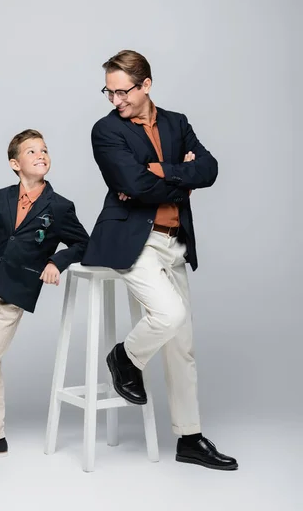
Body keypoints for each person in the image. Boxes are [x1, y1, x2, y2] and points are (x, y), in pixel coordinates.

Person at [82, 50, 237, 470]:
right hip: (136, 241)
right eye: (109, 92)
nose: (115, 100)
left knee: (182, 346)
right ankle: (124, 357)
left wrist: (160, 172)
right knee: (167, 315)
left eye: (122, 91)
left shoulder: (176, 123)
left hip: (175, 242)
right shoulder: (105, 131)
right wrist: (180, 179)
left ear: (145, 84)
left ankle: (189, 438)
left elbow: (209, 168)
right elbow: (132, 183)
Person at [0, 129, 89, 459]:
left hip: (13, 293)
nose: (41, 155)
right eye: (31, 151)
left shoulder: (61, 207)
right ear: (15, 163)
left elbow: (83, 243)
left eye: (44, 150)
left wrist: (56, 260)